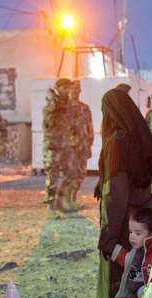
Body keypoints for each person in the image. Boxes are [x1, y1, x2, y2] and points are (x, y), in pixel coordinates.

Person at [95, 88, 152, 298]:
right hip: (141, 228)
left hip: (123, 230)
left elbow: (117, 195)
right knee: (136, 287)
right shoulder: (139, 139)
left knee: (117, 292)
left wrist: (108, 238)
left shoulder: (118, 141)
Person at [42, 82, 77, 214]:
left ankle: (59, 201)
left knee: (71, 173)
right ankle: (51, 207)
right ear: (58, 88)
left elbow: (71, 123)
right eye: (65, 88)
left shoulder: (65, 105)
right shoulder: (51, 105)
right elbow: (50, 119)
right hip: (53, 146)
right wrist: (54, 98)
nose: (68, 90)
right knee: (53, 176)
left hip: (65, 145)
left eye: (69, 88)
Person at [68, 80, 94, 211]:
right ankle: (67, 201)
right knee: (69, 174)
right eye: (73, 90)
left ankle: (73, 198)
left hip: (82, 147)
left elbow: (90, 128)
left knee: (80, 174)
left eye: (77, 90)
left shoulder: (85, 108)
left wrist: (89, 144)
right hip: (69, 149)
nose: (75, 92)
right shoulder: (64, 108)